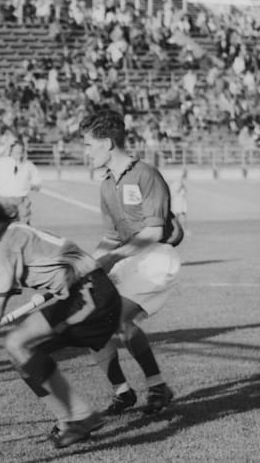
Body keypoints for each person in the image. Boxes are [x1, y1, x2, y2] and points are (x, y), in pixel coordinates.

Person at [0, 190, 121, 449]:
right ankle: (68, 421)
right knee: (20, 354)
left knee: (17, 342)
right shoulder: (14, 234)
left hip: (91, 295)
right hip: (88, 293)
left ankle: (81, 417)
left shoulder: (7, 243)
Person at [80, 108, 184, 416]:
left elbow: (153, 231)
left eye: (89, 145)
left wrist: (112, 258)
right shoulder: (106, 184)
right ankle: (123, 392)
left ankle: (157, 386)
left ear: (108, 143)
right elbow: (111, 238)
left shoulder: (145, 174)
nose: (86, 153)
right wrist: (86, 264)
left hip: (157, 258)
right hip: (128, 257)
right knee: (89, 322)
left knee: (119, 320)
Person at [0, 131, 42, 224]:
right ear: (11, 150)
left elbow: (37, 181)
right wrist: (4, 146)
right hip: (5, 201)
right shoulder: (1, 162)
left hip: (22, 201)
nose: (19, 154)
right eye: (16, 151)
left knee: (24, 229)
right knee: (6, 228)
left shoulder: (28, 165)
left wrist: (33, 186)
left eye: (21, 151)